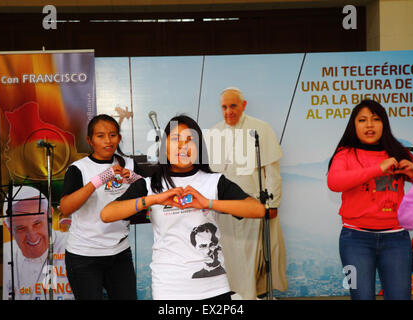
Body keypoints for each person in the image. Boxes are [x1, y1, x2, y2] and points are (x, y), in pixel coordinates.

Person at [101, 115, 265, 300]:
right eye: (176, 140)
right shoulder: (149, 185)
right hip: (169, 288)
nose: (183, 146)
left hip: (215, 288)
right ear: (164, 147)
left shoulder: (213, 181)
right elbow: (107, 214)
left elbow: (257, 210)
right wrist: (153, 200)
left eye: (190, 140)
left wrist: (207, 203)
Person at [327, 99, 413, 300]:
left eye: (376, 119)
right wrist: (378, 168)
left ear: (384, 124)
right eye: (362, 120)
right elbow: (334, 183)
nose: (369, 125)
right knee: (361, 297)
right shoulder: (345, 153)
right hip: (355, 240)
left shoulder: (400, 152)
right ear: (354, 125)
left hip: (397, 239)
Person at [208, 87, 287, 299]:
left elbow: (272, 172)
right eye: (224, 107)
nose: (228, 112)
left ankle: (251, 296)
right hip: (223, 211)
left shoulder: (260, 128)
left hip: (252, 207)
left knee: (252, 259)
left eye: (233, 106)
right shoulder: (214, 132)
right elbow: (211, 176)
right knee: (229, 260)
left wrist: (274, 203)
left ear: (243, 105)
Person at [59, 114, 144, 300]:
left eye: (113, 135)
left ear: (119, 138)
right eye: (100, 136)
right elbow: (65, 207)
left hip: (120, 251)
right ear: (90, 140)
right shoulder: (79, 168)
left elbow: (150, 192)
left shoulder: (129, 164)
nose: (107, 140)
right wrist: (98, 180)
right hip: (84, 254)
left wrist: (134, 178)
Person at [3, 185, 72, 300]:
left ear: (49, 214)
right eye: (21, 228)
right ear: (8, 228)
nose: (32, 237)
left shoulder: (71, 243)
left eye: (37, 224)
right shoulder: (7, 253)